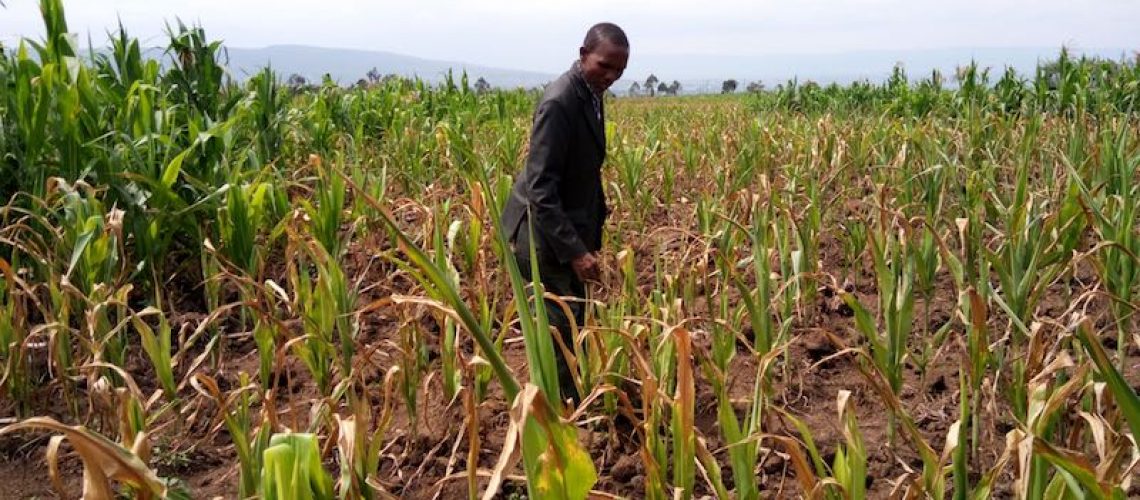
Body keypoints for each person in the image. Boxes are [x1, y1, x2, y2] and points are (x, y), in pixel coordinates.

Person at [500, 22, 629, 405]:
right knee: (559, 331)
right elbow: (541, 187)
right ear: (582, 54)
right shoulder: (560, 102)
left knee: (575, 321)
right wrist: (576, 251)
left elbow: (583, 170)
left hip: (565, 229)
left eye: (619, 70)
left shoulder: (589, 92)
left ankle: (570, 401)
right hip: (541, 238)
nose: (611, 76)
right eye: (605, 65)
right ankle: (563, 417)